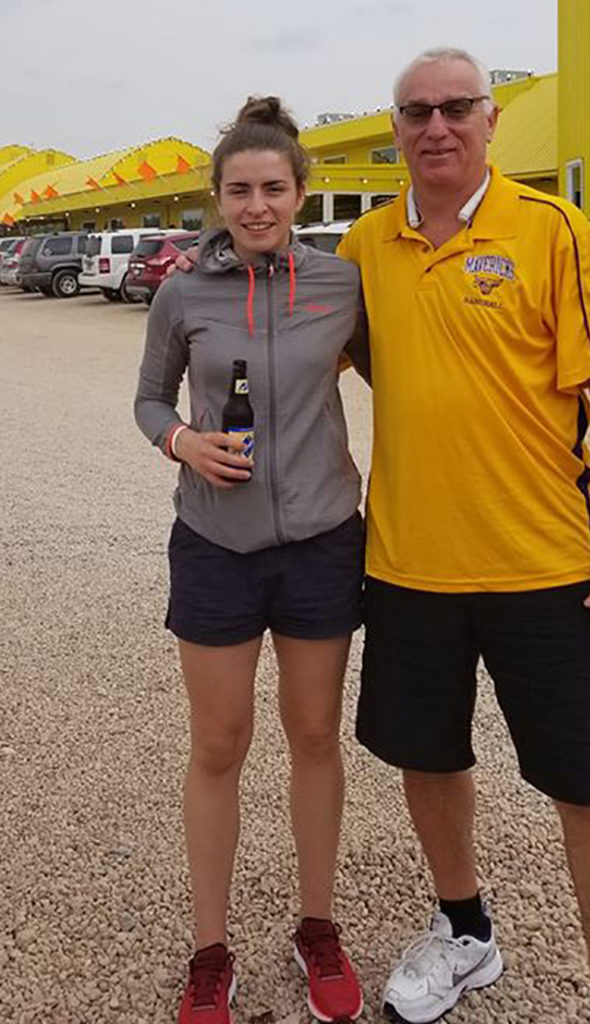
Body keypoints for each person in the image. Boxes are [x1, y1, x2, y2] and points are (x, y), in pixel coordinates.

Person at [335, 48, 590, 1024]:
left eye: (456, 108)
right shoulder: (363, 248)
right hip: (406, 569)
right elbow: (317, 355)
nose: (436, 126)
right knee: (427, 759)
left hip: (546, 569)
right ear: (396, 130)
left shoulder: (551, 229)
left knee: (586, 789)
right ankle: (465, 932)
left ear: (490, 121)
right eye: (416, 112)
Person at [134, 96, 367, 1024]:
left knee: (314, 736)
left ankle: (317, 926)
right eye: (240, 189)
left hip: (319, 542)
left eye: (274, 187)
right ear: (218, 197)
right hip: (215, 547)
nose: (257, 204)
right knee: (219, 743)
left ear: (302, 193)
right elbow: (150, 400)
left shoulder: (343, 285)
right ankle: (210, 949)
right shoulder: (182, 290)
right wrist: (182, 442)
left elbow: (404, 369)